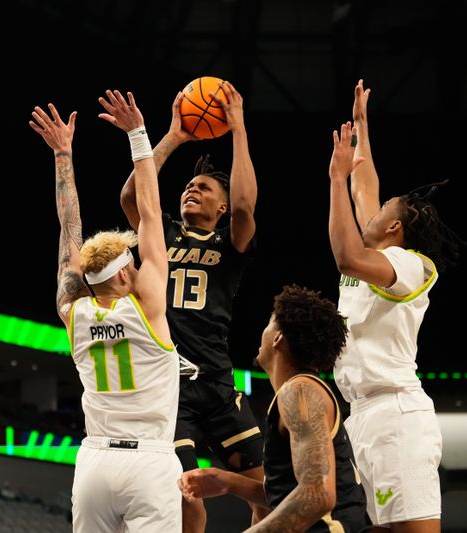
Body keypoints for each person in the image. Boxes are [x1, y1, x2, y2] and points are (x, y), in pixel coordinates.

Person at [29, 89, 182, 532]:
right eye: (132, 265)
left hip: (94, 462)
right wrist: (137, 133)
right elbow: (150, 214)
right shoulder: (147, 305)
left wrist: (63, 154)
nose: (138, 269)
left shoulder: (72, 312)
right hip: (149, 461)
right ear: (121, 276)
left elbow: (68, 230)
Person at [119, 80, 265, 532]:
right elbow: (130, 197)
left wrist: (238, 128)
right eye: (188, 185)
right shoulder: (161, 233)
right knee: (186, 498)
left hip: (218, 384)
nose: (191, 190)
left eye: (203, 188)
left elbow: (244, 203)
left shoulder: (230, 241)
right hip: (170, 387)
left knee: (265, 489)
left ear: (221, 207)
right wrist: (175, 136)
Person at [328, 79, 463, 532]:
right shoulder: (382, 250)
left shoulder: (410, 265)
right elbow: (366, 184)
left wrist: (335, 177)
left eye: (385, 208)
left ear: (394, 229)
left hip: (396, 415)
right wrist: (362, 127)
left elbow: (345, 254)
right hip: (361, 416)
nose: (375, 206)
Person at [178, 285, 368, 532]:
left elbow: (318, 495)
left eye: (269, 323)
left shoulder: (300, 393)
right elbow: (291, 494)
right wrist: (229, 483)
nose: (263, 331)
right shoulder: (299, 391)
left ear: (278, 338)